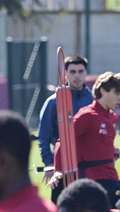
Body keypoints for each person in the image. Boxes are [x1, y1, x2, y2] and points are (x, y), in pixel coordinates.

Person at [47, 72, 120, 210]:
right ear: (103, 90)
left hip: (111, 177)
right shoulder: (87, 115)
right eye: (117, 93)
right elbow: (63, 140)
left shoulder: (112, 117)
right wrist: (58, 170)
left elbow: (97, 144)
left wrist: (111, 152)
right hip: (96, 180)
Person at [38, 55, 93, 203]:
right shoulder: (53, 102)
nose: (77, 76)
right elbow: (43, 136)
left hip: (88, 166)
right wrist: (49, 163)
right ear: (65, 74)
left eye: (80, 71)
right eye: (72, 71)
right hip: (62, 167)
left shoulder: (93, 99)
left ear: (86, 73)